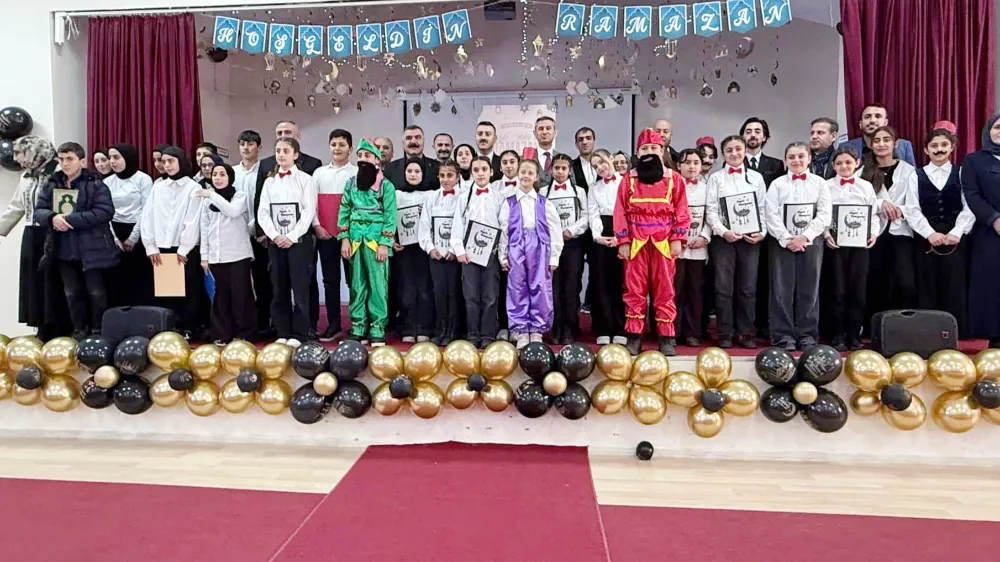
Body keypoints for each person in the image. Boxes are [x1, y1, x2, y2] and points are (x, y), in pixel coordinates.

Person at [615, 129, 690, 356]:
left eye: (654, 148)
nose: (649, 152)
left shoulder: (675, 179)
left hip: (663, 242)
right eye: (645, 149)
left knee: (665, 290)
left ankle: (666, 337)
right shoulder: (628, 180)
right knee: (634, 290)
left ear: (662, 150)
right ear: (638, 153)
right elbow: (620, 211)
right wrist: (623, 240)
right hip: (636, 242)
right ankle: (634, 336)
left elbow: (682, 211)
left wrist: (678, 238)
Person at [34, 142, 119, 341]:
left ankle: (98, 331)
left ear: (82, 161)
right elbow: (39, 210)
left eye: (70, 159)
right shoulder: (52, 183)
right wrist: (52, 218)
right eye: (61, 159)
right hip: (63, 248)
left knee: (96, 291)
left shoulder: (95, 184)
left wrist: (70, 219)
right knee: (71, 292)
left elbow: (104, 211)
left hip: (92, 248)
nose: (65, 163)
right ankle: (79, 330)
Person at [252, 121, 323, 339]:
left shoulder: (306, 180)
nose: (281, 155)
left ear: (295, 154)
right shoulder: (270, 182)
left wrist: (291, 236)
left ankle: (300, 334)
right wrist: (275, 235)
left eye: (285, 151)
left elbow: (309, 211)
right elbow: (263, 211)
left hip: (299, 242)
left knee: (300, 289)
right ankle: (282, 332)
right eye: (278, 151)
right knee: (279, 289)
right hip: (276, 243)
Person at [0, 136, 71, 339]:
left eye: (19, 153)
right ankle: (41, 325)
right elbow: (17, 206)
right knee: (34, 281)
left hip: (54, 232)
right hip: (31, 233)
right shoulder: (26, 177)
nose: (16, 158)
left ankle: (60, 327)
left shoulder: (58, 172)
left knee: (53, 279)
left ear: (33, 152)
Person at [763, 143, 831, 351]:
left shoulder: (820, 183)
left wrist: (805, 237)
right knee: (781, 290)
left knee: (809, 289)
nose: (796, 160)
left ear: (809, 158)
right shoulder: (777, 184)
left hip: (811, 241)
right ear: (785, 161)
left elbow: (824, 214)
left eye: (801, 156)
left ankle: (807, 335)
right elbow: (770, 213)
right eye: (791, 157)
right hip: (782, 242)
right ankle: (783, 336)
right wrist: (787, 238)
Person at [906, 128, 974, 334]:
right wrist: (929, 233)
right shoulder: (916, 175)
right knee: (926, 283)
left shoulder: (961, 173)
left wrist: (957, 232)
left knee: (954, 283)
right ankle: (928, 331)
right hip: (926, 237)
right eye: (934, 146)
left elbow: (969, 206)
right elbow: (912, 209)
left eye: (944, 145)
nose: (939, 150)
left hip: (955, 237)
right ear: (926, 150)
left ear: (952, 147)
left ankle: (954, 331)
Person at [705, 136, 767, 349]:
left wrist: (762, 232)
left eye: (738, 149)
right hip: (724, 240)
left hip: (750, 239)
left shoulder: (756, 178)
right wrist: (724, 232)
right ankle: (724, 333)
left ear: (744, 151)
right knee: (723, 288)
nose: (734, 153)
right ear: (723, 154)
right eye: (729, 150)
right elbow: (711, 210)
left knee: (748, 288)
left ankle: (746, 333)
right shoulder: (716, 179)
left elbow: (762, 208)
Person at [140, 146, 206, 339]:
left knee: (189, 290)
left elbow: (193, 221)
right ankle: (172, 328)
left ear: (181, 162)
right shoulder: (158, 188)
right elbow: (147, 217)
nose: (166, 165)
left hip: (184, 249)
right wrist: (151, 246)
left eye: (171, 161)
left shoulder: (193, 188)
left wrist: (184, 248)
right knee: (167, 291)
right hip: (161, 248)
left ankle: (190, 328)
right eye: (164, 161)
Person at [337, 139, 397, 347]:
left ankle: (378, 327)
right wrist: (344, 238)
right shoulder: (350, 184)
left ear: (376, 160)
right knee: (356, 284)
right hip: (355, 241)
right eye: (360, 156)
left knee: (378, 285)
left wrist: (385, 243)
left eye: (368, 156)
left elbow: (391, 216)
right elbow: (344, 210)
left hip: (375, 241)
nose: (363, 160)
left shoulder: (386, 186)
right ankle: (358, 326)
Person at [499, 159, 563, 349]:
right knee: (517, 287)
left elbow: (555, 231)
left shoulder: (545, 203)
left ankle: (536, 329)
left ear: (536, 177)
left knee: (540, 287)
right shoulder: (509, 202)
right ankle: (520, 330)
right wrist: (503, 255)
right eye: (523, 172)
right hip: (516, 246)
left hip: (539, 247)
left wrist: (554, 257)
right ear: (518, 174)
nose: (526, 176)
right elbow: (504, 231)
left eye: (530, 173)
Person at [860, 125, 918, 326]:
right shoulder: (862, 171)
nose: (881, 144)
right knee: (875, 281)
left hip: (901, 231)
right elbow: (857, 201)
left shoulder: (909, 170)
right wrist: (880, 204)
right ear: (870, 144)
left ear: (896, 143)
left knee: (905, 281)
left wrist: (899, 209)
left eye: (886, 139)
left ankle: (903, 326)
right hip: (873, 232)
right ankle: (876, 327)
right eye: (877, 140)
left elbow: (916, 202)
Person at [824, 147, 879, 351]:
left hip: (859, 245)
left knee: (858, 289)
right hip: (836, 245)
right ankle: (837, 334)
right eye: (839, 163)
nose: (844, 167)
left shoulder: (865, 186)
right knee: (836, 289)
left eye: (848, 162)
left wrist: (874, 233)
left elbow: (873, 214)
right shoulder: (827, 186)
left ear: (857, 163)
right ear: (833, 166)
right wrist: (826, 235)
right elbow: (822, 214)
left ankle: (854, 334)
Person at [197, 163, 255, 345]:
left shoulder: (239, 196)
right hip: (216, 255)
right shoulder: (207, 201)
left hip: (238, 254)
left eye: (222, 174)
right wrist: (204, 256)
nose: (217, 178)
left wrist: (212, 195)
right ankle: (223, 332)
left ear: (230, 177)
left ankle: (245, 332)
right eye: (215, 174)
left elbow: (232, 211)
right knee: (221, 296)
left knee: (241, 295)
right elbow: (204, 228)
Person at [452, 156, 505, 348]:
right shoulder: (464, 197)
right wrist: (459, 250)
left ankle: (488, 334)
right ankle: (473, 334)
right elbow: (457, 224)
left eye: (484, 169)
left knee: (490, 296)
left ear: (491, 172)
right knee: (471, 296)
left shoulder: (499, 197)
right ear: (471, 172)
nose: (480, 173)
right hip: (469, 255)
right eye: (476, 170)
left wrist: (501, 254)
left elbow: (504, 227)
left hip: (491, 255)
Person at [313, 129, 357, 342]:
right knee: (330, 281)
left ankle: (358, 323)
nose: (337, 148)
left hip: (351, 237)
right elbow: (312, 203)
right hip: (326, 236)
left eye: (342, 144)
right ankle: (334, 324)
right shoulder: (319, 173)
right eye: (334, 144)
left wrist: (349, 233)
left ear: (350, 148)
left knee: (354, 280)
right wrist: (317, 226)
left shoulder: (357, 173)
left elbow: (359, 206)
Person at [539, 153, 587, 344]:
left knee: (571, 286)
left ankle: (569, 328)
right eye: (556, 168)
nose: (560, 172)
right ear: (551, 170)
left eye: (563, 168)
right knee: (553, 286)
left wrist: (571, 230)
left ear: (570, 170)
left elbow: (585, 216)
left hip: (572, 244)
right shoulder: (543, 192)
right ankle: (555, 327)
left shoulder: (579, 191)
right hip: (551, 245)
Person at [961, 113, 1000, 346]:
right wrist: (994, 219)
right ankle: (995, 339)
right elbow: (972, 194)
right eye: (997, 127)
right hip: (989, 232)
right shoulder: (974, 161)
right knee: (992, 285)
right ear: (988, 131)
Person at [419, 159, 465, 345]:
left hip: (455, 255)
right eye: (442, 175)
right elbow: (424, 225)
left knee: (454, 292)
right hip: (436, 254)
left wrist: (455, 249)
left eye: (450, 175)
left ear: (458, 177)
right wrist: (430, 248)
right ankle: (441, 329)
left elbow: (464, 225)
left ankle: (454, 330)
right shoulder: (431, 197)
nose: (445, 179)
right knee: (438, 291)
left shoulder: (463, 197)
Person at [104, 143, 154, 307]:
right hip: (114, 231)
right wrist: (114, 238)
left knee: (138, 277)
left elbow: (147, 210)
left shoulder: (143, 179)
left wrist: (133, 238)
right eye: (110, 157)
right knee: (117, 278)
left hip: (138, 230)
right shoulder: (108, 182)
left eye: (116, 157)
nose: (112, 161)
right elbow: (105, 212)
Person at [587, 149, 626, 345]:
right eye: (595, 166)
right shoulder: (594, 188)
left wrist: (623, 237)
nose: (600, 168)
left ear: (611, 159)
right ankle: (604, 327)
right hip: (602, 233)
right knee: (601, 282)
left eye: (602, 162)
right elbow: (593, 213)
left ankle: (621, 328)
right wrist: (598, 236)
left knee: (622, 282)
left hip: (623, 233)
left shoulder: (626, 183)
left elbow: (630, 211)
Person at [674, 149, 711, 347]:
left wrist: (704, 236)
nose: (692, 166)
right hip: (676, 247)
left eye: (696, 162)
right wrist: (676, 238)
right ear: (679, 166)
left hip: (698, 247)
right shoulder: (672, 187)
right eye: (687, 162)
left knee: (695, 291)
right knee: (675, 290)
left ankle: (692, 332)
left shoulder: (707, 188)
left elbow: (711, 215)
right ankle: (673, 331)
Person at [394, 158, 434, 343]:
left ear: (423, 174)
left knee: (424, 289)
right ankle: (408, 327)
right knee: (406, 288)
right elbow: (389, 218)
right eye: (409, 171)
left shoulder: (431, 195)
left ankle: (424, 327)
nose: (413, 174)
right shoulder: (397, 194)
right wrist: (392, 240)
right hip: (404, 248)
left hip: (424, 248)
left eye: (417, 171)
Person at [491, 150, 521, 342]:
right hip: (498, 242)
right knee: (501, 286)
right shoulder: (494, 187)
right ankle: (503, 325)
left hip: (521, 243)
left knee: (519, 286)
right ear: (500, 166)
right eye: (505, 162)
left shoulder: (526, 184)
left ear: (518, 164)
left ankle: (518, 324)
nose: (509, 165)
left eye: (512, 162)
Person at [843, 104, 917, 166]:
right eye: (867, 117)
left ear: (885, 123)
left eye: (878, 116)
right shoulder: (845, 147)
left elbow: (912, 175)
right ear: (860, 124)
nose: (872, 120)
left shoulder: (904, 146)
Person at [384, 125, 440, 192]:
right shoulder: (390, 168)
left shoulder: (437, 167)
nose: (413, 141)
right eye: (409, 138)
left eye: (417, 137)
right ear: (403, 143)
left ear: (423, 141)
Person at [740, 117, 785, 187]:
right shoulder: (735, 163)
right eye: (748, 132)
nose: (753, 135)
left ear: (764, 137)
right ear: (742, 137)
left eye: (757, 132)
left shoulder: (776, 164)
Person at [571, 127, 598, 192]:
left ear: (594, 142)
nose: (584, 142)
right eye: (580, 139)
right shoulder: (570, 166)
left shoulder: (604, 165)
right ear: (576, 144)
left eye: (588, 138)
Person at [534, 116, 557, 185]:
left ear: (555, 133)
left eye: (548, 128)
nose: (544, 132)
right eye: (541, 129)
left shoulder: (564, 159)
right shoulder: (524, 159)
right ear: (534, 133)